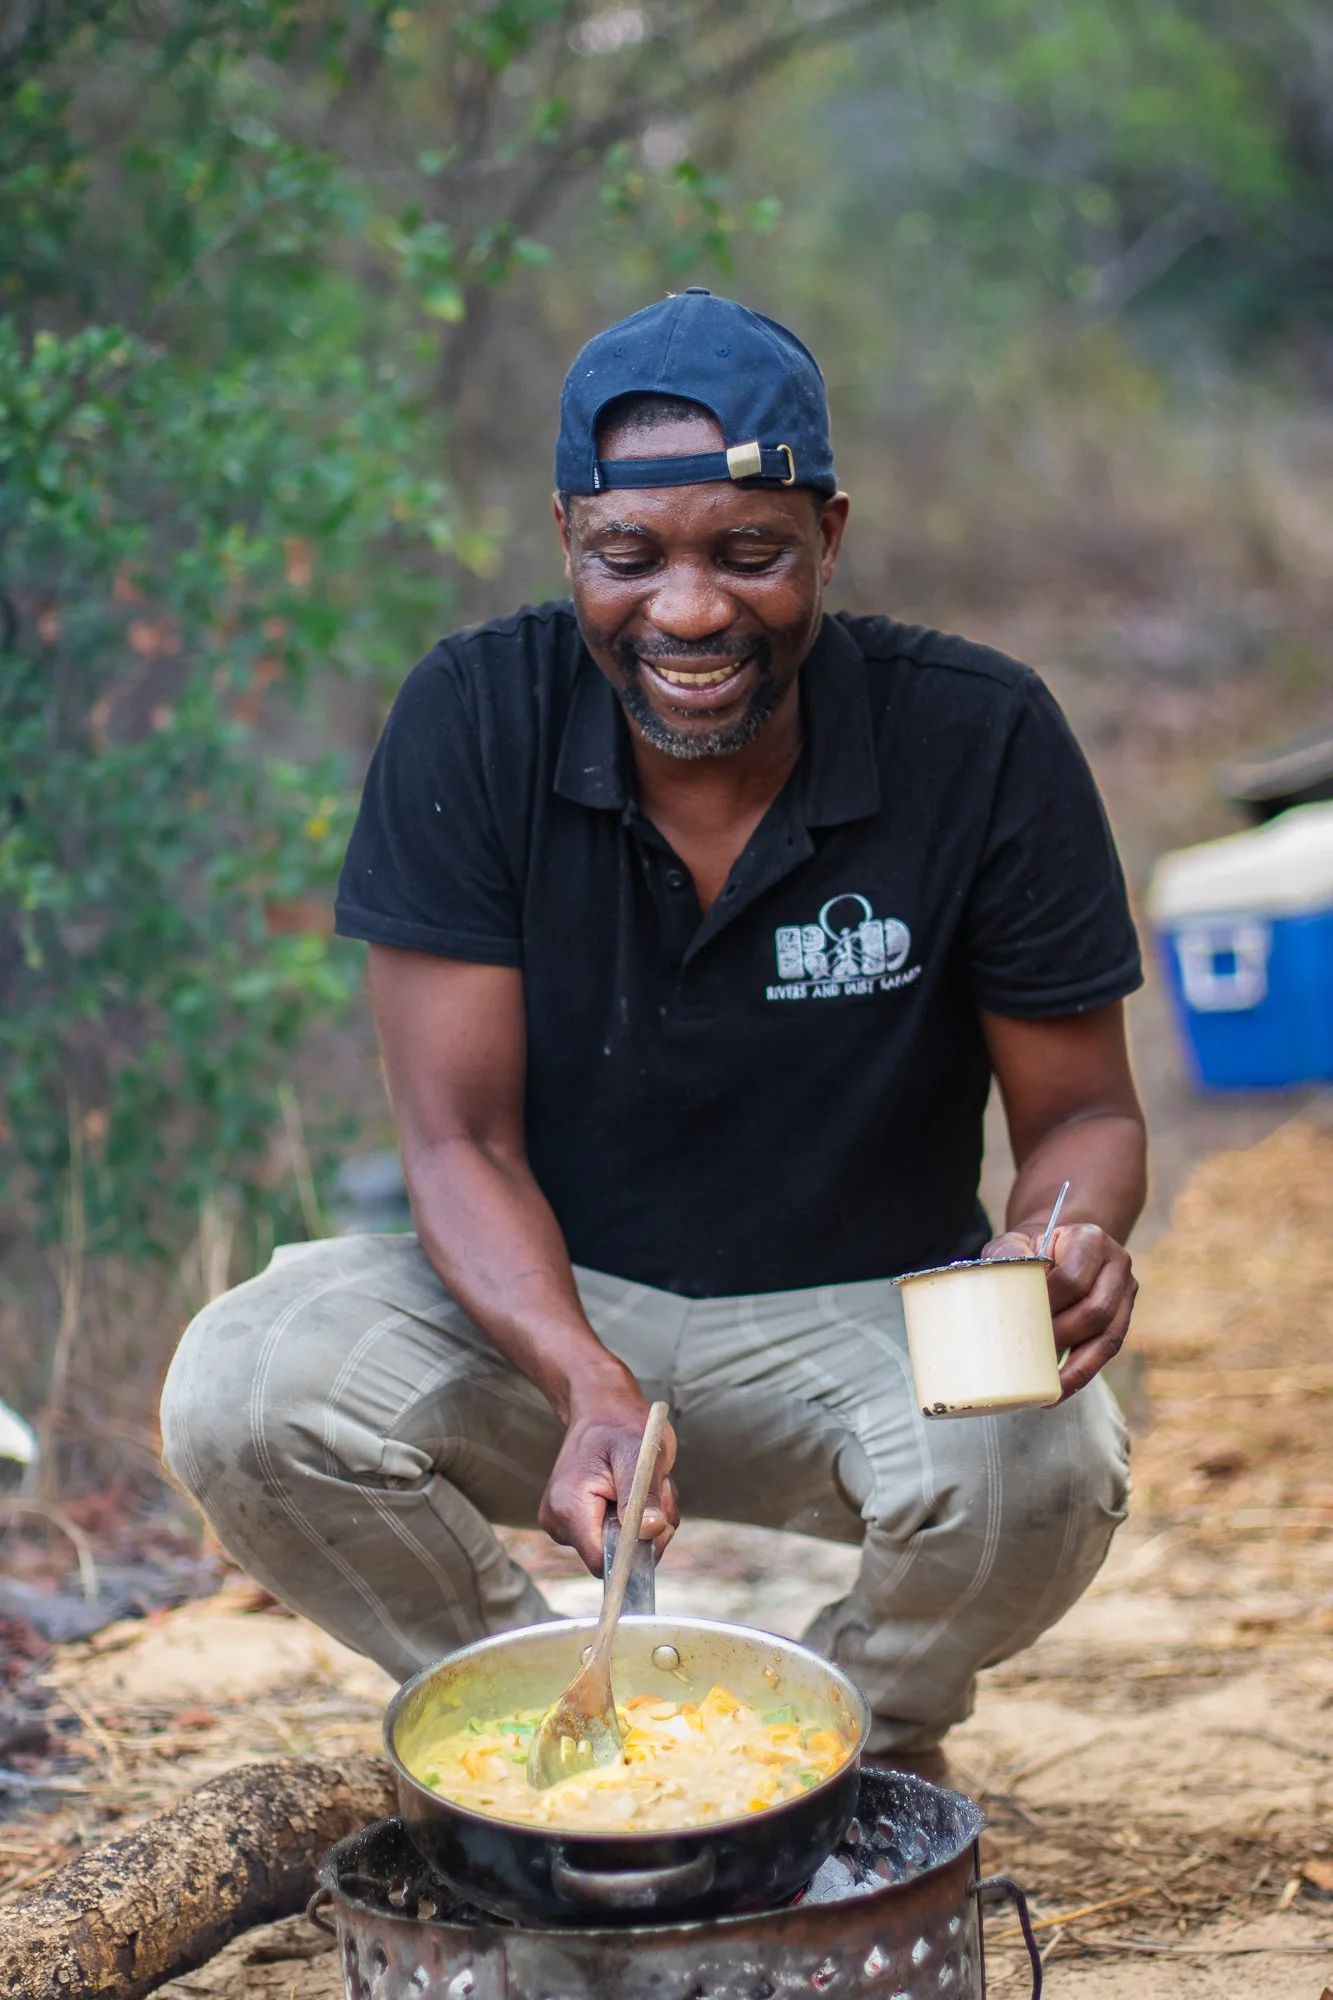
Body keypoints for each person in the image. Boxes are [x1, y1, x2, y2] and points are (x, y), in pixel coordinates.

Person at [160, 289, 1145, 1779]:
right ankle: (537, 1728)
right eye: (632, 556)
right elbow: (458, 1137)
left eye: (748, 553)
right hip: (546, 1310)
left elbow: (1084, 1120)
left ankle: (842, 1745)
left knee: (1050, 1461)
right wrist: (583, 1376)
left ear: (828, 536)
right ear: (570, 541)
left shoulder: (983, 738)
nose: (688, 611)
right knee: (242, 1390)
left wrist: (1058, 1240)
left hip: (863, 1318)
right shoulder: (471, 720)